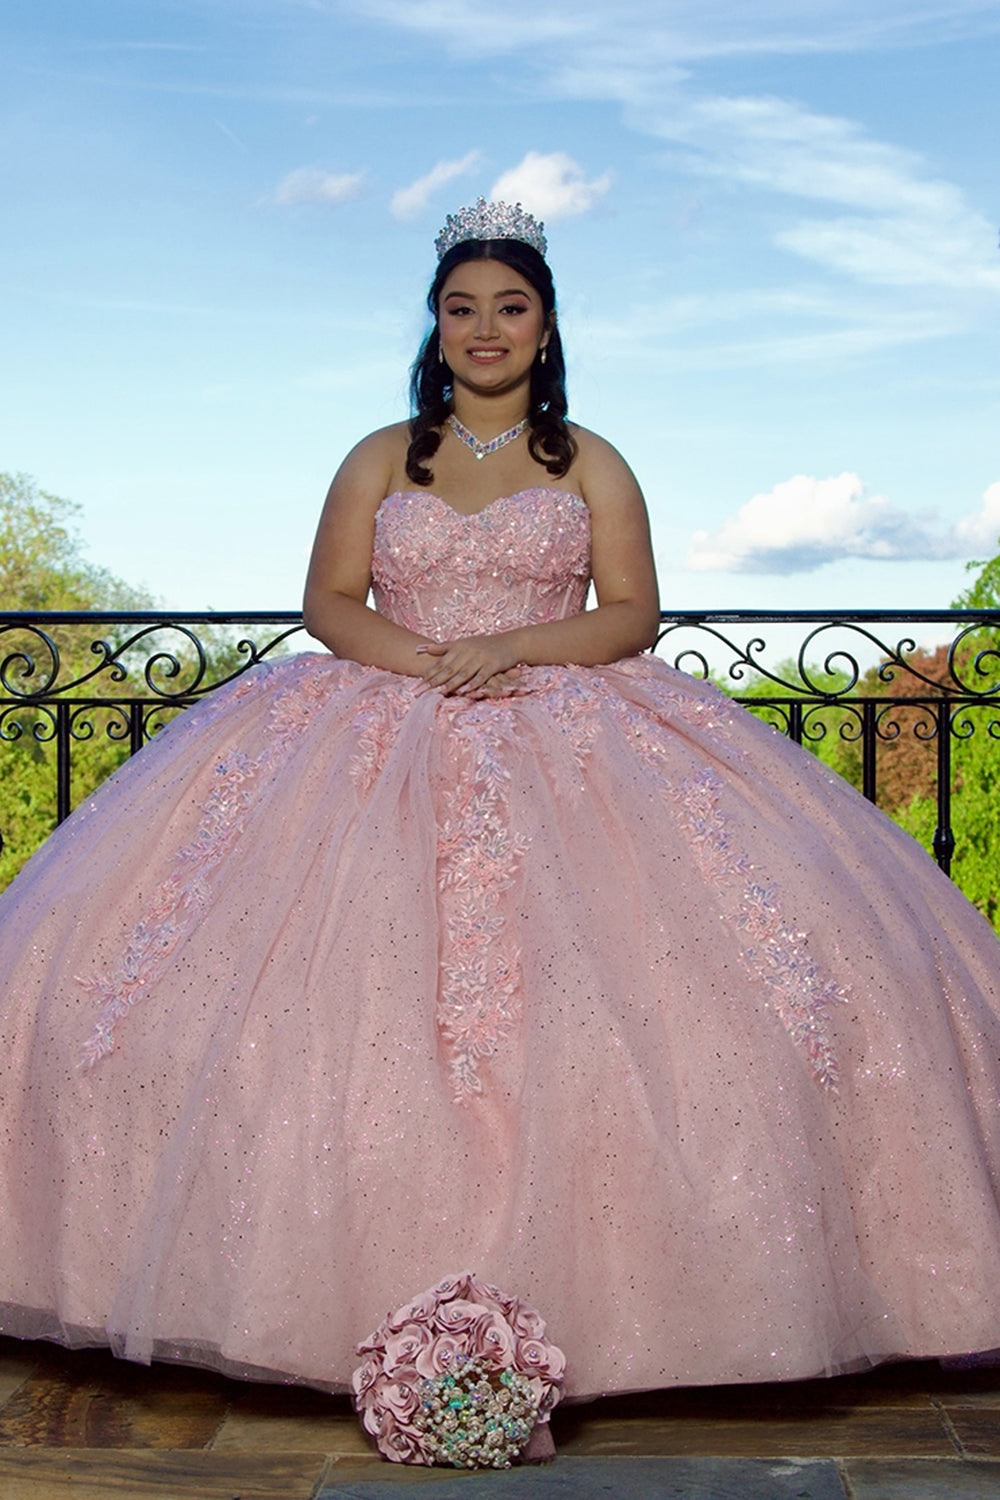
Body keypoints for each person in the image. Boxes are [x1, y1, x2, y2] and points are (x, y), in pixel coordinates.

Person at [1, 199, 1000, 1435]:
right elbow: (326, 599)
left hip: (562, 709)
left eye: (509, 307)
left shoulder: (589, 460)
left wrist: (513, 647)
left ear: (544, 326)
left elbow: (630, 612)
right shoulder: (381, 453)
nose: (485, 329)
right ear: (436, 326)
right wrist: (426, 663)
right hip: (380, 712)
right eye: (462, 307)